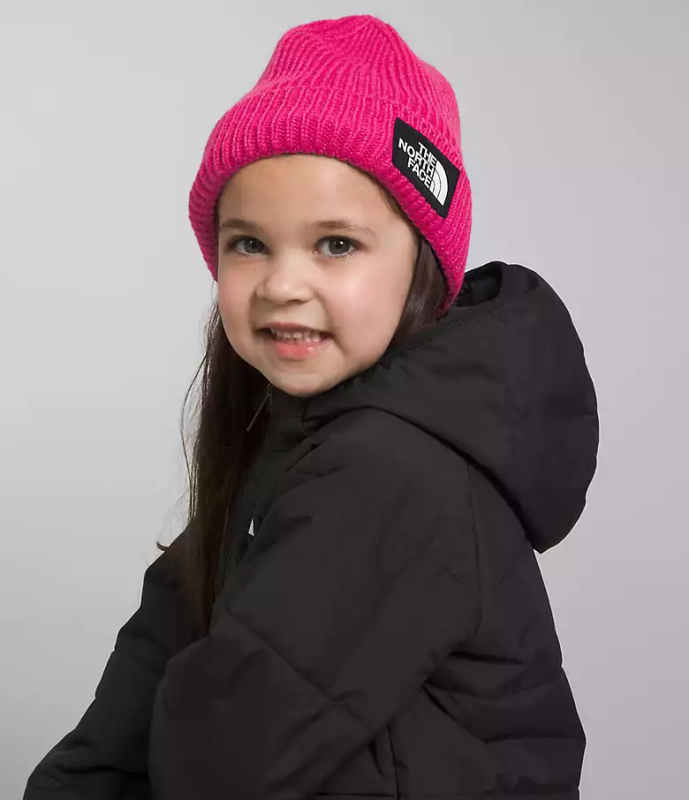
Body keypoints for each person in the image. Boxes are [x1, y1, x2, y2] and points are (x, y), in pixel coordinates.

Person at [23, 13, 599, 800]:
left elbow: (224, 760)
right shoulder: (292, 437)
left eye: (336, 244)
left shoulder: (390, 475)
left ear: (421, 265)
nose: (282, 284)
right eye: (248, 243)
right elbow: (155, 652)